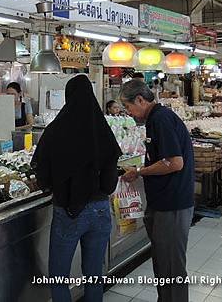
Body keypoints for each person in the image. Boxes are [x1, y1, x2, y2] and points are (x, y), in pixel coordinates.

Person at [31, 75, 121, 302]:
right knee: (94, 276)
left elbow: (42, 173)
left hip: (68, 211)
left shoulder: (55, 131)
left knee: (59, 277)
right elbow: (110, 183)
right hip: (100, 211)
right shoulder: (103, 131)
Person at [119, 80, 194, 302]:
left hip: (172, 205)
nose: (128, 112)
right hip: (164, 202)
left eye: (128, 107)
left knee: (171, 266)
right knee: (163, 263)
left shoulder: (161, 120)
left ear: (140, 100)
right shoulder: (154, 120)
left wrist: (141, 171)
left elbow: (175, 162)